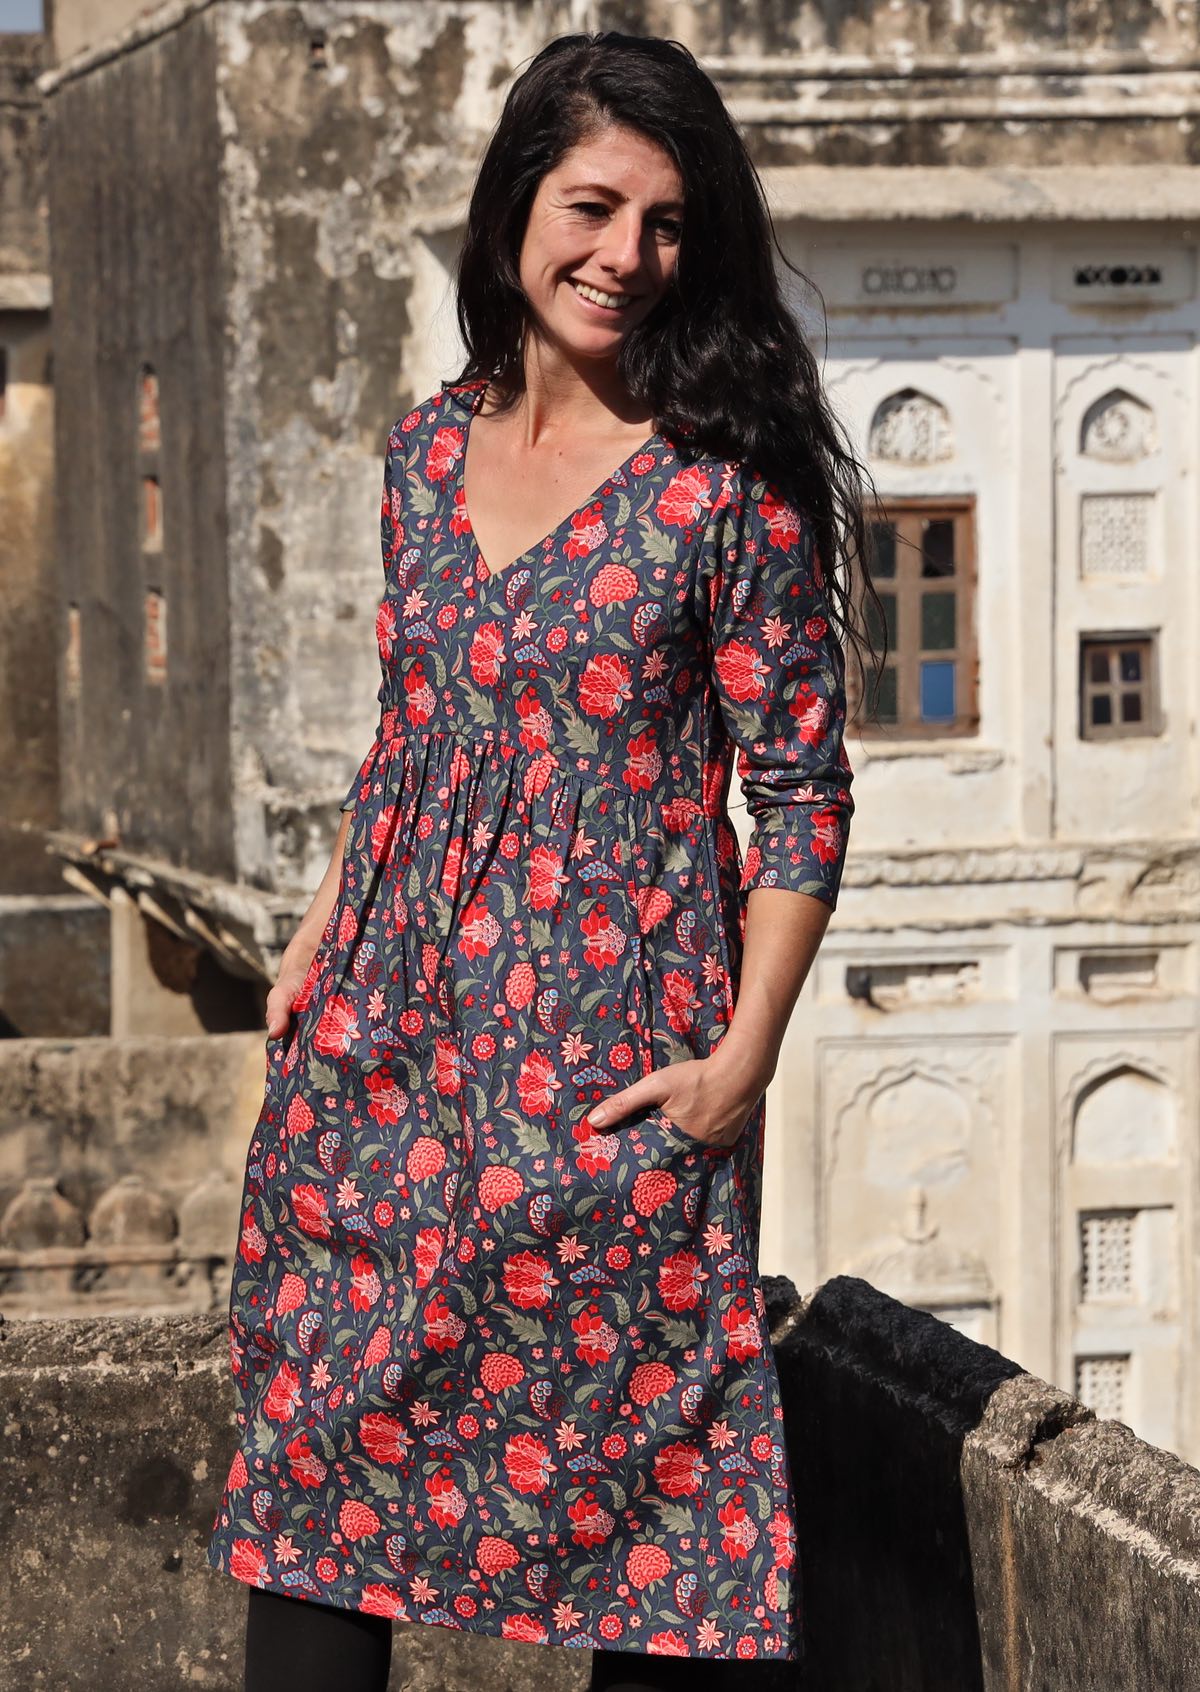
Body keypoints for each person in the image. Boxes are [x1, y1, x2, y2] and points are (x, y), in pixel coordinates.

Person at [207, 28, 883, 1692]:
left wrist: (742, 1066)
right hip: (380, 1056)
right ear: (516, 204)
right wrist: (313, 937)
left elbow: (802, 795)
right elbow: (416, 736)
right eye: (594, 206)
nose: (628, 258)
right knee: (312, 1474)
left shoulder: (729, 487)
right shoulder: (424, 456)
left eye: (666, 224)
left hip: (612, 1078)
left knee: (649, 1522)